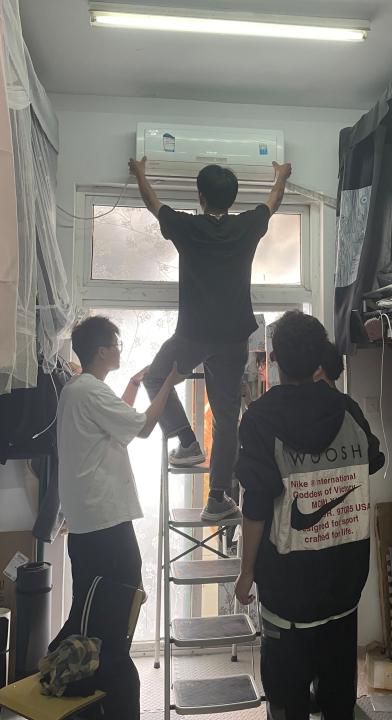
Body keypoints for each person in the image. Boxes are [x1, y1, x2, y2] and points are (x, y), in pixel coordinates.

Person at [235, 310, 385, 720]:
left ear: (275, 359)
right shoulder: (347, 410)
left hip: (287, 592)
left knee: (286, 701)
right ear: (320, 356)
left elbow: (256, 506)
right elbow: (372, 460)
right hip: (343, 586)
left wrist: (245, 573)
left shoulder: (259, 419)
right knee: (339, 698)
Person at [128, 156, 292, 522]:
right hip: (233, 337)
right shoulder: (247, 225)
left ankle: (187, 442)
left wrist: (140, 173)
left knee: (154, 378)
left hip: (193, 334)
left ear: (200, 197)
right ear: (232, 199)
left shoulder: (188, 227)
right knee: (225, 417)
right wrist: (280, 175)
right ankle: (217, 498)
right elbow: (274, 201)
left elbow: (153, 203)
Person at [55, 314, 184, 720]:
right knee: (116, 629)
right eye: (116, 343)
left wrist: (131, 386)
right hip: (106, 528)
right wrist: (169, 383)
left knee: (94, 627)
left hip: (90, 529)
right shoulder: (89, 391)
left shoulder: (78, 391)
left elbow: (117, 428)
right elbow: (143, 427)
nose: (120, 349)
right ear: (101, 350)